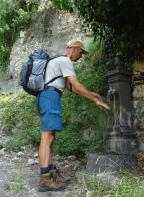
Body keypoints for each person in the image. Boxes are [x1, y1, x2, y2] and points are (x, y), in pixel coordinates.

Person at [37, 40, 110, 192]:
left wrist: (93, 94)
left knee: (51, 136)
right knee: (47, 136)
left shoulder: (58, 62)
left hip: (49, 96)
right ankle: (44, 179)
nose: (81, 55)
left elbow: (73, 89)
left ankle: (51, 174)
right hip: (50, 97)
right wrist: (95, 100)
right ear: (74, 49)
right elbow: (76, 86)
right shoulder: (64, 60)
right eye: (81, 52)